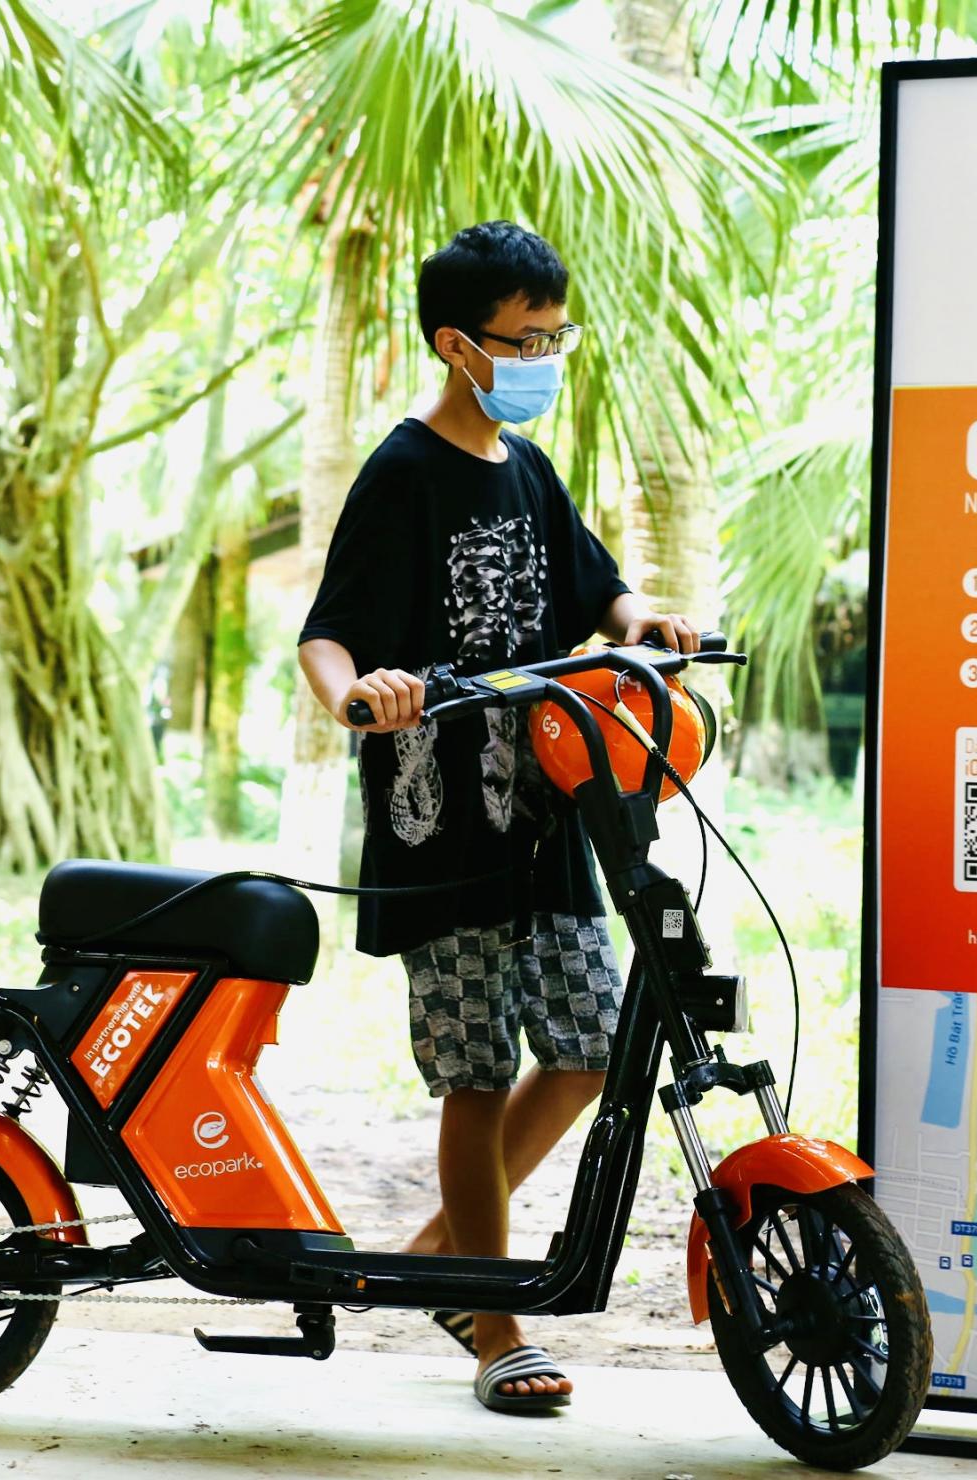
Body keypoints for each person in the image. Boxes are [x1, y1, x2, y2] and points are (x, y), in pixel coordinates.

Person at [297, 221, 698, 1412]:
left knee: (585, 1045)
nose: (545, 357)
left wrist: (643, 620)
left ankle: (441, 1256)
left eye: (556, 337)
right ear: (456, 344)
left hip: (547, 807)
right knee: (475, 1073)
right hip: (440, 827)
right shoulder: (403, 471)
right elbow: (327, 632)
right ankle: (493, 1319)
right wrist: (358, 697)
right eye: (527, 339)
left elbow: (593, 581)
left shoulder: (525, 464)